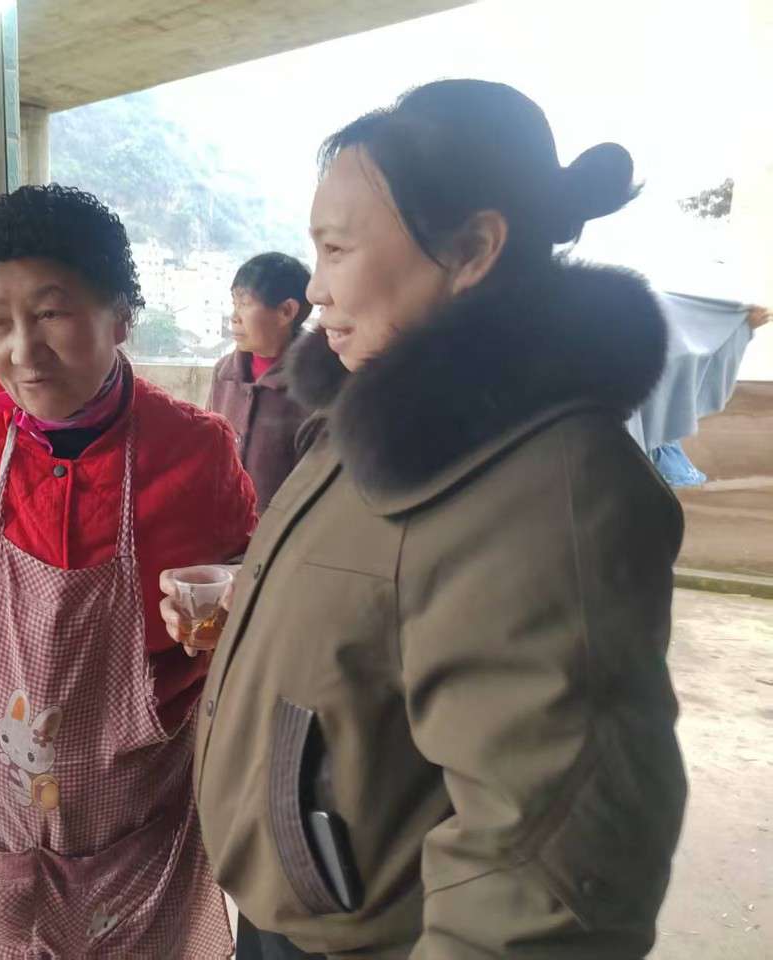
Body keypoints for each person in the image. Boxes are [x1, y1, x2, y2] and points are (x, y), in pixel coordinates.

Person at [166, 80, 688, 958]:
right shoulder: (378, 419)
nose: (315, 290)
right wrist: (257, 621)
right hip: (296, 918)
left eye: (337, 249)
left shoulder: (552, 489)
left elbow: (545, 880)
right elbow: (388, 610)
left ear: (473, 248)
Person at [0, 185, 255, 958]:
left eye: (52, 314)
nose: (23, 353)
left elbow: (250, 589)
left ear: (121, 315)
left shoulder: (195, 451)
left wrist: (230, 595)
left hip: (137, 838)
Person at [208, 252, 315, 513]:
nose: (234, 316)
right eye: (234, 303)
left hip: (284, 529)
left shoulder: (316, 384)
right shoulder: (224, 374)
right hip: (223, 525)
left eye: (245, 303)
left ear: (286, 311)